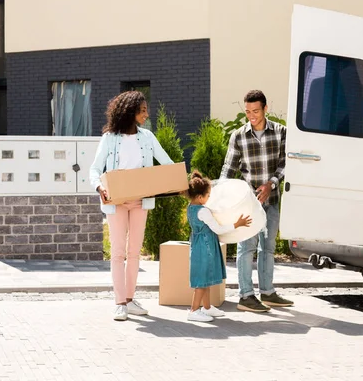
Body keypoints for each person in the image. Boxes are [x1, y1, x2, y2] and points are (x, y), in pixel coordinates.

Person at [89, 91, 175, 321]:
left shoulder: (147, 137)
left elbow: (166, 163)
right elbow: (94, 169)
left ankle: (129, 298)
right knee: (117, 252)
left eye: (146, 110)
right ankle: (119, 302)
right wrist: (100, 188)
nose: (147, 114)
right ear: (130, 111)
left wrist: (181, 179)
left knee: (134, 252)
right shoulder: (110, 138)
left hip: (140, 201)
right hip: (116, 201)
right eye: (143, 110)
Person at [220, 89, 294, 312]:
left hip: (272, 199)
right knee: (246, 248)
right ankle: (245, 296)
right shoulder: (239, 135)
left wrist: (271, 183)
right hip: (248, 203)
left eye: (256, 111)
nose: (251, 115)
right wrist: (222, 192)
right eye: (248, 111)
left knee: (268, 248)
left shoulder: (281, 132)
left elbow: (286, 162)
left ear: (265, 108)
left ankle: (268, 292)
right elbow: (229, 167)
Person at [186, 170, 252, 322]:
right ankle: (193, 310)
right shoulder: (203, 211)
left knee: (205, 278)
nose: (209, 198)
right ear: (200, 197)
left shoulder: (191, 207)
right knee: (202, 281)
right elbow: (218, 229)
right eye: (208, 196)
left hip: (198, 245)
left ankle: (207, 307)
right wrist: (237, 224)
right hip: (206, 246)